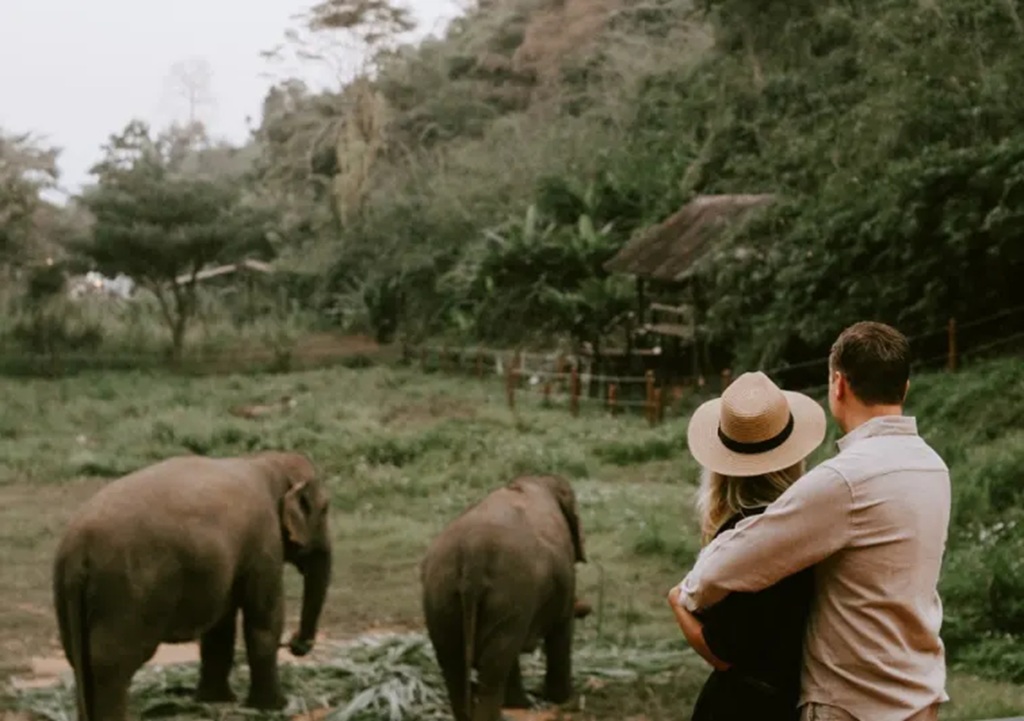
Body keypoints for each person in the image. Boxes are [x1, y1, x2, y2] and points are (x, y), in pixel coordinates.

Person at [670, 321, 952, 721]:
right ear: (904, 388)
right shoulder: (933, 468)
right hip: (918, 696)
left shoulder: (842, 481)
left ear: (838, 384)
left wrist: (686, 592)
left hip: (852, 704)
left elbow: (724, 566)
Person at [666, 370, 828, 721]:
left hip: (745, 705)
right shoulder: (811, 525)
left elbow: (722, 652)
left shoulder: (746, 537)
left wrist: (677, 602)